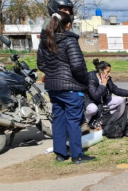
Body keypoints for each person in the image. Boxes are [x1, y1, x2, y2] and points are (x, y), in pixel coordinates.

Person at [37, 11, 95, 165]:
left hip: (53, 87)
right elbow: (77, 66)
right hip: (71, 88)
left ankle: (61, 154)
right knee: (73, 121)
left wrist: (53, 74)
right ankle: (77, 155)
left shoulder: (45, 41)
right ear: (68, 24)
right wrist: (84, 82)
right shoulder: (69, 41)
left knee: (59, 121)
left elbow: (41, 64)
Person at [85, 59, 128, 136]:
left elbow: (115, 90)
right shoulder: (91, 78)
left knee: (120, 100)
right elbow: (95, 96)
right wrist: (103, 85)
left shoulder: (107, 78)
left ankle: (106, 119)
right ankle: (85, 122)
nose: (109, 73)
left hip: (102, 101)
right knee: (93, 109)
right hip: (91, 101)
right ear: (100, 70)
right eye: (107, 71)